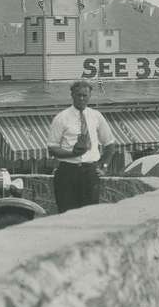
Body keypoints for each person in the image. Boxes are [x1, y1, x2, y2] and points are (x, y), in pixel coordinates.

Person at [47, 80, 117, 213]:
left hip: (90, 173)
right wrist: (72, 154)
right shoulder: (61, 118)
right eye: (78, 95)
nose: (81, 98)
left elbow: (110, 144)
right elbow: (52, 148)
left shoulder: (96, 116)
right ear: (72, 95)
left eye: (85, 95)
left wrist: (104, 166)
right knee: (67, 214)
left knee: (90, 215)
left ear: (90, 96)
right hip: (67, 172)